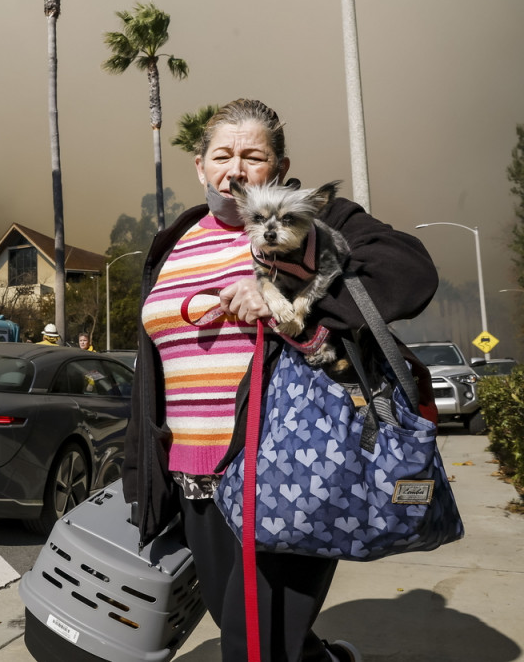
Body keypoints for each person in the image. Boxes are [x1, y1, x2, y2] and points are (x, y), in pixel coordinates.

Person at [122, 99, 437, 662]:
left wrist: (291, 296)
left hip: (288, 468)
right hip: (195, 479)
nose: (234, 169)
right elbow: (155, 370)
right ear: (200, 167)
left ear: (281, 167)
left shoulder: (316, 221)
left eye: (253, 156)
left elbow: (410, 272)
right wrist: (144, 472)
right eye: (222, 155)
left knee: (252, 646)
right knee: (253, 634)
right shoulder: (173, 242)